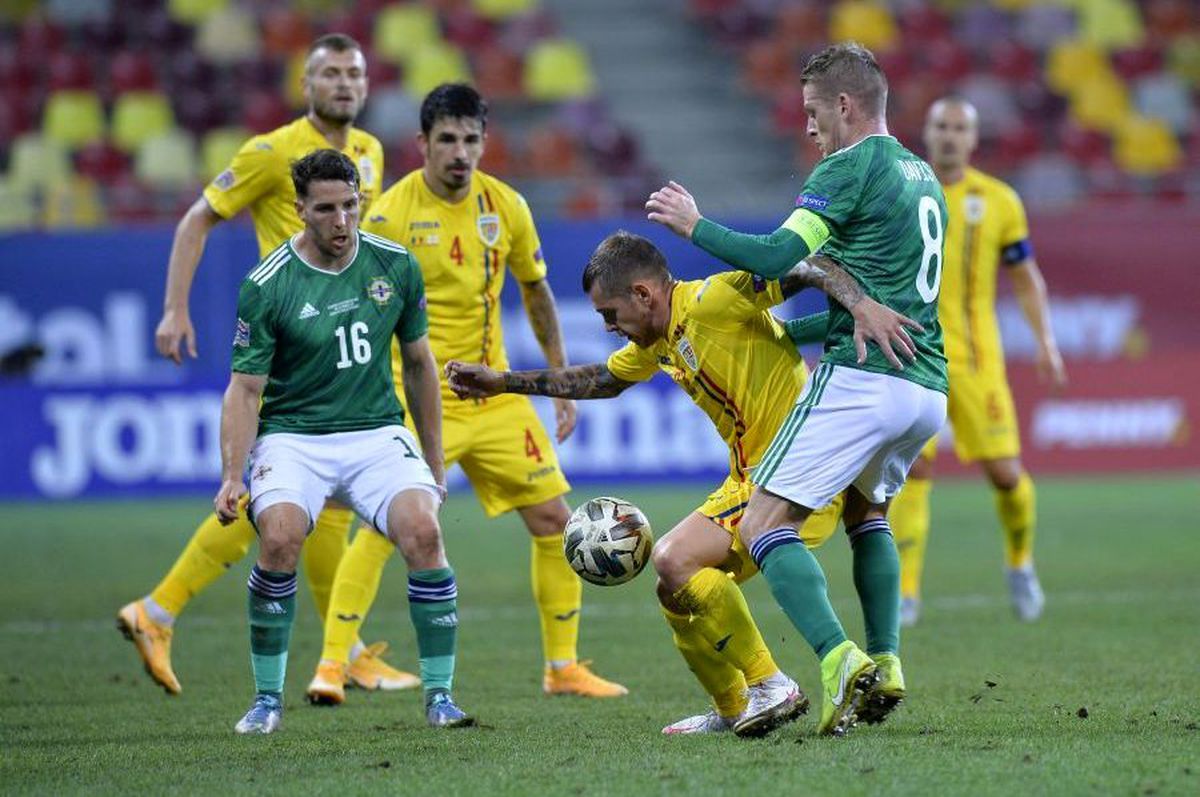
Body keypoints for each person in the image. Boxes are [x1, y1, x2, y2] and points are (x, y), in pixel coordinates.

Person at [446, 231, 918, 737]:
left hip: (793, 475)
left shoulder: (716, 300)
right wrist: (503, 382)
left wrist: (862, 305)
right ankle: (736, 706)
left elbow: (806, 266)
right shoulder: (660, 340)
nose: (608, 328)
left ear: (644, 294)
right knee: (673, 591)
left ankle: (772, 684)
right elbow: (604, 379)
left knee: (673, 556)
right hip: (752, 476)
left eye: (610, 314)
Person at [645, 42, 948, 736]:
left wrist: (698, 226)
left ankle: (839, 660)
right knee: (866, 517)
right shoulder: (920, 174)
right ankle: (889, 661)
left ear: (844, 105)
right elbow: (879, 299)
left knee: (761, 524)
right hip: (925, 385)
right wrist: (792, 332)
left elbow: (784, 256)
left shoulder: (849, 166)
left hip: (864, 380)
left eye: (814, 112)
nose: (809, 128)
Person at [303, 83, 625, 704]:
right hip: (417, 399)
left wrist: (559, 384)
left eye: (471, 139)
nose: (460, 152)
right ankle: (332, 664)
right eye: (447, 139)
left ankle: (562, 668)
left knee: (555, 521)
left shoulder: (505, 205)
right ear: (422, 143)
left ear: (484, 142)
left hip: (496, 397)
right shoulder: (389, 215)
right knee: (385, 525)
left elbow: (535, 292)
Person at [116, 33, 416, 696]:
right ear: (305, 84)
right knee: (278, 498)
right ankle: (159, 609)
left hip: (343, 337)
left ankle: (347, 647)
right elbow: (198, 218)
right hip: (290, 339)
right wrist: (174, 309)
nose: (344, 84)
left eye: (354, 73)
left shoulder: (367, 151)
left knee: (326, 505)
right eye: (330, 73)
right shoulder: (270, 152)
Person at [216, 149, 472, 734]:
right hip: (292, 437)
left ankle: (440, 697)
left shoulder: (396, 266)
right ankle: (266, 700)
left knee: (425, 532)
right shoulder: (266, 285)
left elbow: (419, 367)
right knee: (280, 537)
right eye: (326, 209)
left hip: (377, 432)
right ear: (300, 210)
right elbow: (245, 391)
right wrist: (233, 474)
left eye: (350, 206)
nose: (341, 221)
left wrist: (434, 462)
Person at [889, 97, 1067, 626]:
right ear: (926, 131)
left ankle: (1020, 564)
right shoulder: (901, 192)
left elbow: (1025, 277)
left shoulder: (1000, 200)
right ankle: (907, 591)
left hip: (977, 360)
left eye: (959, 128)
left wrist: (1047, 342)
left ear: (973, 138)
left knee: (1007, 475)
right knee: (913, 470)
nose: (948, 135)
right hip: (914, 354)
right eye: (940, 126)